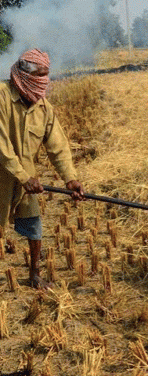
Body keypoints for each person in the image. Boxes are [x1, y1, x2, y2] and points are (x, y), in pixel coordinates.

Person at [0, 48, 84, 289]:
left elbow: (58, 145)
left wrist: (71, 179)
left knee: (34, 226)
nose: (41, 87)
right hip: (2, 176)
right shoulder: (2, 97)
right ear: (23, 78)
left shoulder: (44, 108)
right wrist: (23, 176)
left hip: (25, 179)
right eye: (38, 79)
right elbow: (2, 146)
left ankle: (35, 275)